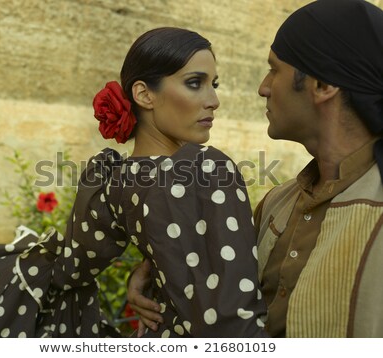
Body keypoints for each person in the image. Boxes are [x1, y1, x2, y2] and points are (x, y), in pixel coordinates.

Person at [0, 27, 268, 338]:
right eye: (195, 83)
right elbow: (231, 319)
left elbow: (72, 266)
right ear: (143, 95)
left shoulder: (114, 178)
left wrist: (149, 269)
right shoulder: (204, 168)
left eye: (214, 84)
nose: (214, 100)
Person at [127, 0, 383, 338]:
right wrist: (160, 271)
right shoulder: (276, 204)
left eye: (274, 70)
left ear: (322, 85)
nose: (263, 87)